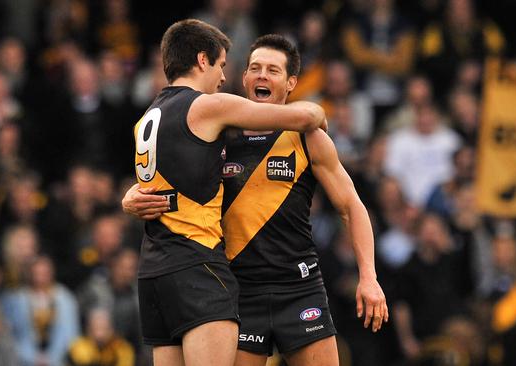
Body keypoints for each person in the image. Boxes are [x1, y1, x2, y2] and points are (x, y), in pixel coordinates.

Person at [123, 34, 387, 366]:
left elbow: (352, 207)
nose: (262, 76)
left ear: (291, 82)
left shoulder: (308, 138)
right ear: (244, 78)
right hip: (236, 289)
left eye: (273, 70)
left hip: (299, 286)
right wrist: (131, 195)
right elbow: (168, 172)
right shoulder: (216, 131)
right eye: (254, 68)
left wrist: (369, 276)